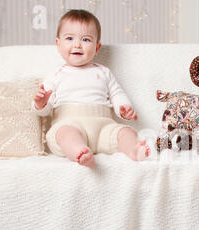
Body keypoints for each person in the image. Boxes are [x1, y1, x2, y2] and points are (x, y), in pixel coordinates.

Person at [33, 9, 150, 167]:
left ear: (97, 47)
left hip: (103, 127)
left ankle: (134, 150)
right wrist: (41, 103)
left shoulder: (103, 72)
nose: (77, 45)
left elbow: (117, 93)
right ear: (58, 44)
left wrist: (124, 108)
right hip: (70, 123)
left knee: (126, 132)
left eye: (86, 40)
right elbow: (43, 111)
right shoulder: (56, 75)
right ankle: (79, 151)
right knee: (65, 134)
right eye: (69, 38)